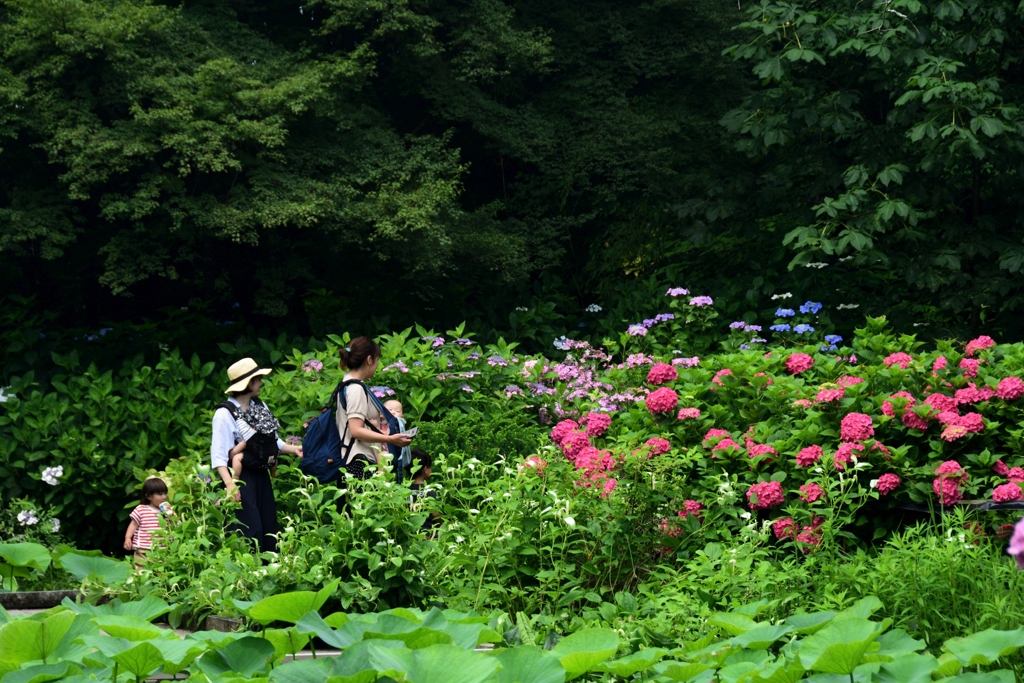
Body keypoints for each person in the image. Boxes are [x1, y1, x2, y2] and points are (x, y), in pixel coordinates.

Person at [211, 358, 302, 553]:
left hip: (261, 474)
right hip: (241, 477)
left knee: (268, 527)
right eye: (257, 379)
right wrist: (230, 484)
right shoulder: (224, 414)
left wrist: (293, 449)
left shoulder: (260, 406)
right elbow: (219, 455)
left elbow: (272, 440)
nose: (261, 382)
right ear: (248, 383)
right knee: (248, 530)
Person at [336, 337, 412, 481]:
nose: (377, 365)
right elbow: (356, 430)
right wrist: (390, 439)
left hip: (355, 460)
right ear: (369, 360)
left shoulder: (347, 384)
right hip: (359, 462)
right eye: (377, 360)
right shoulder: (355, 389)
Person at [123, 477, 170, 565]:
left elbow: (174, 526)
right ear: (148, 496)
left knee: (160, 572)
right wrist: (128, 538)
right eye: (160, 494)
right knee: (142, 570)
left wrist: (171, 515)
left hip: (162, 549)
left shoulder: (166, 511)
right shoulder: (141, 509)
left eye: (165, 493)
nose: (164, 497)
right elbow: (133, 524)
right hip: (143, 548)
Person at [408, 449, 441, 531]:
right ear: (425, 469)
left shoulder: (403, 490)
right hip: (428, 533)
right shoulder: (429, 492)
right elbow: (436, 515)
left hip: (408, 533)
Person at [384, 399, 413, 482]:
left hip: (397, 456)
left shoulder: (400, 424)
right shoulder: (380, 423)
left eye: (397, 411)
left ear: (402, 416)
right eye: (389, 410)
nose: (393, 412)